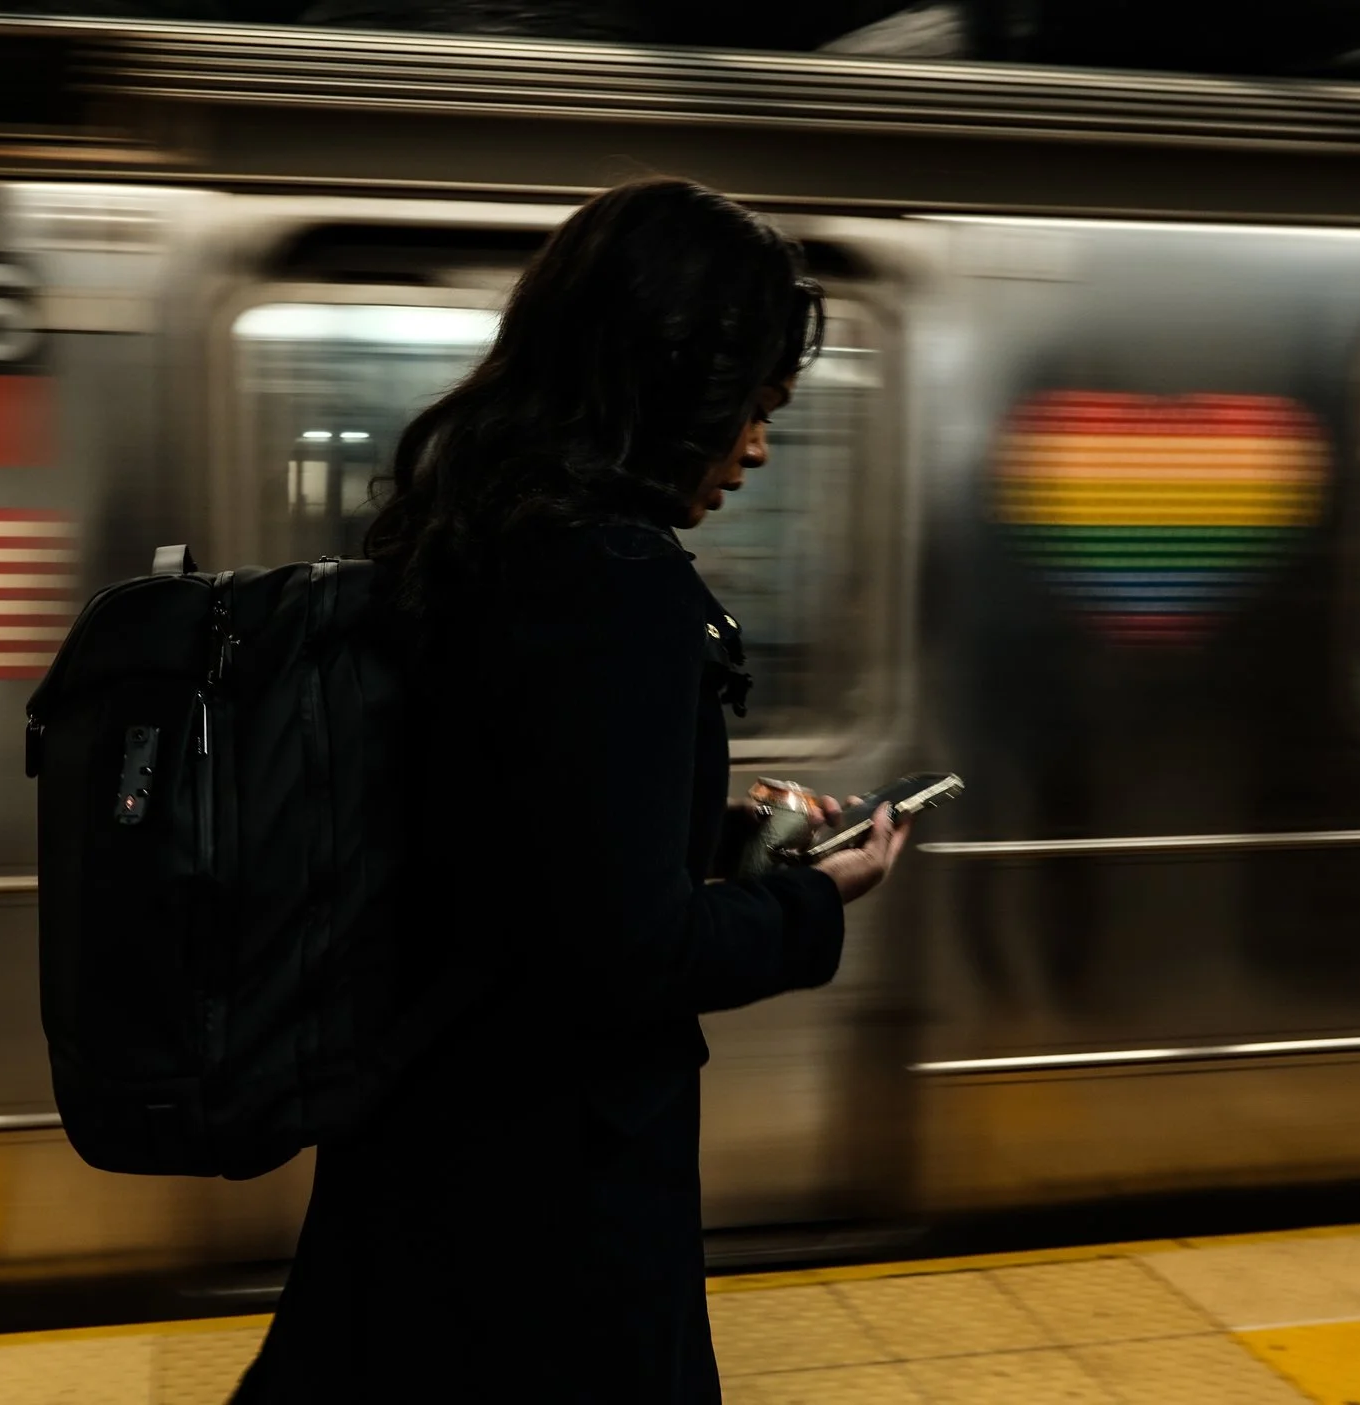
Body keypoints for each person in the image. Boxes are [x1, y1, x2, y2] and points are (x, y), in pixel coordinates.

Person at [230, 178, 910, 1404]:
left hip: (417, 1132)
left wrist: (706, 825)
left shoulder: (456, 541)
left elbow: (501, 820)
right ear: (673, 387)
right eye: (751, 409)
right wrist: (817, 904)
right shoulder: (619, 584)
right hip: (552, 1200)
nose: (756, 450)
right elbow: (627, 955)